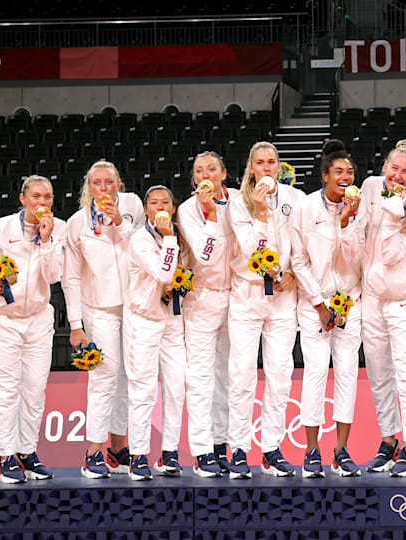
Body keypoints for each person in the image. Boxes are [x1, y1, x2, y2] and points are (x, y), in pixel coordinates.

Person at [0, 175, 65, 483]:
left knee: (35, 389)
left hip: (38, 318)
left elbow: (54, 276)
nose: (43, 203)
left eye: (48, 197)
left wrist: (48, 239)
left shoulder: (58, 228)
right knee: (6, 388)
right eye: (37, 196)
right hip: (3, 318)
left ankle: (27, 452)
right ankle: (5, 455)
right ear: (23, 198)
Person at [350, 137, 406, 477]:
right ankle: (388, 441)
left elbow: (391, 254)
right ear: (384, 167)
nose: (399, 175)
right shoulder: (368, 187)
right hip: (373, 299)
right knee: (380, 375)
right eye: (394, 168)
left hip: (405, 300)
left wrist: (396, 212)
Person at [227, 141, 304, 478]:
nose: (267, 168)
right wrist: (260, 213)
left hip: (283, 298)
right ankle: (239, 450)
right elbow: (249, 250)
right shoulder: (238, 203)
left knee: (280, 375)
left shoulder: (295, 200)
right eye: (260, 163)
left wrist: (295, 275)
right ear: (251, 168)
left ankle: (272, 448)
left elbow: (302, 246)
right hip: (247, 295)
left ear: (278, 166)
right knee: (242, 376)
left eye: (272, 162)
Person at [63, 160, 144, 479]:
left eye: (109, 182)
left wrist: (119, 224)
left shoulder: (133, 206)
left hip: (136, 308)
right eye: (97, 183)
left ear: (119, 184)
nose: (104, 189)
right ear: (89, 187)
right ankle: (92, 452)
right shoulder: (76, 223)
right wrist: (75, 325)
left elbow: (144, 248)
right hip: (100, 310)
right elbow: (70, 277)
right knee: (103, 379)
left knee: (127, 380)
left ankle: (118, 448)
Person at [289, 140, 364, 478]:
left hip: (351, 302)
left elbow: (359, 259)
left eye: (349, 172)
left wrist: (348, 220)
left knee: (347, 374)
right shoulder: (306, 208)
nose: (345, 177)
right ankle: (311, 451)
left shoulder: (361, 209)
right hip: (314, 306)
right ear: (325, 176)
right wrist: (319, 304)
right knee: (316, 373)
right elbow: (298, 260)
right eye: (339, 172)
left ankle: (342, 451)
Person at [176, 151, 239, 478]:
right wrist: (213, 214)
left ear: (223, 173)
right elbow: (203, 253)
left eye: (212, 168)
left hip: (236, 297)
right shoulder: (188, 209)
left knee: (228, 377)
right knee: (200, 378)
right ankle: (201, 451)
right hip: (200, 299)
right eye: (199, 170)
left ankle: (221, 445)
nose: (206, 174)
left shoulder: (240, 201)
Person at [124, 185, 188, 481]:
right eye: (153, 203)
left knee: (176, 388)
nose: (160, 206)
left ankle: (170, 452)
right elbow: (164, 273)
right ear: (147, 209)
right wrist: (171, 239)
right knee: (143, 391)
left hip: (173, 319)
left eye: (165, 202)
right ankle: (138, 455)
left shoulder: (182, 238)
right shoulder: (139, 239)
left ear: (173, 208)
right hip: (144, 321)